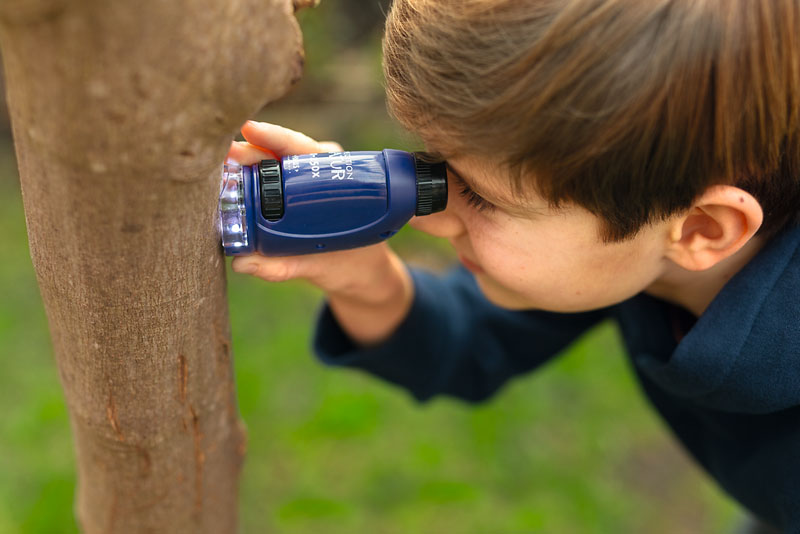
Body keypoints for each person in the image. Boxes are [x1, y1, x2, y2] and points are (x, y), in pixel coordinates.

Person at [227, 0, 800, 531]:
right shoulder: (634, 245)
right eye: (433, 168)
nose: (430, 219)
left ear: (702, 230)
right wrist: (367, 280)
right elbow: (472, 340)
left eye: (479, 197)